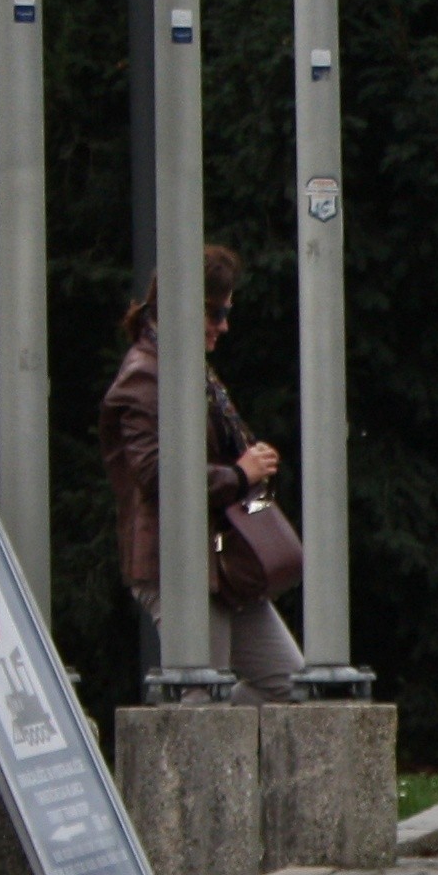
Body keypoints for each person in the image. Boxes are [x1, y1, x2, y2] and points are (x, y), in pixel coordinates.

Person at [97, 244, 298, 701]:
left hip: (220, 559)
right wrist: (240, 475)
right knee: (203, 700)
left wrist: (247, 463)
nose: (224, 326)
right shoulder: (145, 376)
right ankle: (179, 740)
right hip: (177, 562)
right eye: (216, 313)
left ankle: (216, 736)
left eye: (227, 312)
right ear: (183, 309)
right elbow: (156, 476)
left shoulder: (185, 367)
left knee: (292, 690)